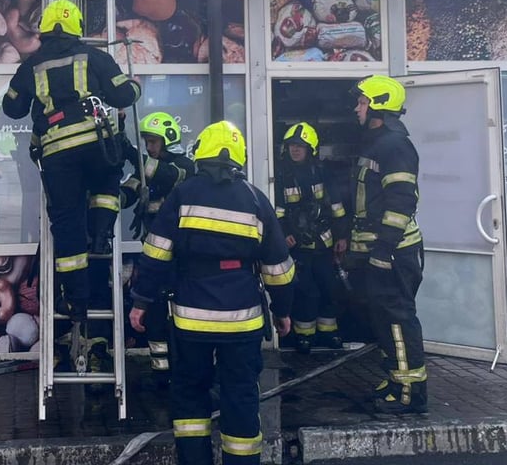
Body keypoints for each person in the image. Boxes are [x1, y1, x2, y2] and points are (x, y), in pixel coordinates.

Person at [129, 121, 294, 465]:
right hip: (243, 322)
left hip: (192, 320)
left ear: (201, 154)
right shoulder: (255, 199)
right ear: (238, 156)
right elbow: (278, 268)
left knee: (189, 395)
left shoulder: (184, 194)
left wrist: (142, 301)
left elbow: (156, 253)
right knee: (241, 397)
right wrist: (283, 311)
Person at [1, 0, 141, 322]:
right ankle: (103, 233)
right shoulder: (95, 57)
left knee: (67, 224)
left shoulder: (31, 66)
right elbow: (123, 96)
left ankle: (76, 302)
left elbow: (12, 109)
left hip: (57, 155)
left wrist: (31, 94)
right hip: (95, 144)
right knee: (108, 177)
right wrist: (134, 86)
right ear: (77, 28)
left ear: (46, 28)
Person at [349, 75, 427, 415]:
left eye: (362, 102)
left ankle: (410, 392)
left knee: (398, 319)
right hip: (380, 251)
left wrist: (383, 250)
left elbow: (400, 202)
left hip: (394, 253)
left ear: (378, 105)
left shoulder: (394, 146)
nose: (356, 108)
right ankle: (396, 379)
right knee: (383, 319)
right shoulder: (378, 142)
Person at [121, 110, 195, 386]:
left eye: (154, 141)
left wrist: (130, 153)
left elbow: (163, 175)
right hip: (153, 254)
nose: (150, 147)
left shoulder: (185, 166)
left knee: (182, 313)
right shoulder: (148, 168)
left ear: (169, 139)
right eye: (147, 142)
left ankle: (186, 369)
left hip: (180, 257)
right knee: (153, 312)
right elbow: (130, 189)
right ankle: (160, 370)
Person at [275, 122, 349, 354]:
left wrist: (342, 236)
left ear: (310, 149)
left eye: (300, 146)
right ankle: (304, 335)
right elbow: (276, 213)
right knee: (305, 291)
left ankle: (328, 332)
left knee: (330, 288)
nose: (295, 150)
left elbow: (337, 208)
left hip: (324, 244)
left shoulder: (322, 172)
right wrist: (284, 234)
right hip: (298, 247)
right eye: (292, 146)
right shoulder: (280, 176)